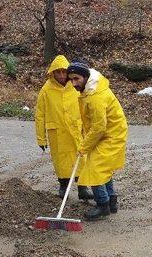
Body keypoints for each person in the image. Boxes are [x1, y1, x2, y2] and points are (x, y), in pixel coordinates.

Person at [67, 61, 128, 221]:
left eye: (76, 79)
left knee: (94, 169)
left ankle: (103, 205)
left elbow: (99, 127)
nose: (73, 83)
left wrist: (84, 146)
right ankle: (111, 200)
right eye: (71, 79)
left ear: (86, 77)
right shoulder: (90, 89)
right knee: (102, 168)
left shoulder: (95, 96)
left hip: (111, 135)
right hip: (106, 134)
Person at [35, 55, 94, 200]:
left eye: (63, 72)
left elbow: (87, 107)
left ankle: (83, 188)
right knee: (61, 161)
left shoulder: (76, 86)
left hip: (76, 129)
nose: (61, 75)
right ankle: (63, 186)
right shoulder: (46, 90)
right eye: (58, 72)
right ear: (52, 73)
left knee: (81, 158)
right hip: (58, 132)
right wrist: (41, 139)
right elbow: (40, 115)